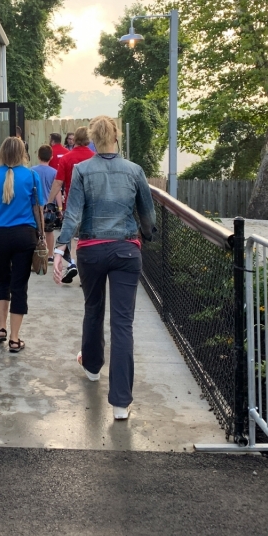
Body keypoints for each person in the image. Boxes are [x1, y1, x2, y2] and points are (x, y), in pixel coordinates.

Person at [53, 116, 156, 420]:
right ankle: (121, 403)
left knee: (93, 309)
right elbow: (147, 215)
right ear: (116, 136)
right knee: (123, 324)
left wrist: (60, 248)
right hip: (126, 250)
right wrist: (147, 237)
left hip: (91, 252)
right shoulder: (135, 171)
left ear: (94, 139)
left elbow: (72, 215)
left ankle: (92, 367)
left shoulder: (83, 170)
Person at [0, 136, 43, 354]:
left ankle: (1, 328)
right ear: (23, 152)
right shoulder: (32, 176)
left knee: (2, 279)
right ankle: (14, 339)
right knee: (19, 285)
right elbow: (37, 209)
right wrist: (41, 235)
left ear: (1, 152)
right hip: (24, 236)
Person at [46, 126, 94, 283]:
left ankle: (72, 264)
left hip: (71, 206)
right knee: (87, 240)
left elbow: (58, 183)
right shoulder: (95, 158)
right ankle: (85, 274)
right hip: (91, 206)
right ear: (88, 139)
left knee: (67, 237)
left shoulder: (66, 157)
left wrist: (49, 202)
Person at [32, 145, 60, 259]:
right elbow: (57, 191)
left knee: (35, 231)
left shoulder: (32, 171)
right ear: (51, 157)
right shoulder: (54, 172)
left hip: (35, 205)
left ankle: (36, 254)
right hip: (49, 207)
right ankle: (49, 255)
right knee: (49, 231)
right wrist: (60, 208)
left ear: (38, 156)